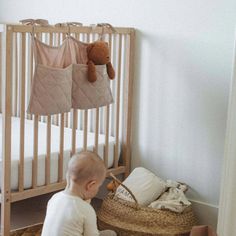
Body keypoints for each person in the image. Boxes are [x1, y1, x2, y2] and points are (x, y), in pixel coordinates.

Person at [41, 151, 116, 236]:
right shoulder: (86, 209)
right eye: (98, 186)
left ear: (67, 176)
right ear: (91, 185)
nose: (98, 189)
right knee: (111, 234)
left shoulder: (54, 198)